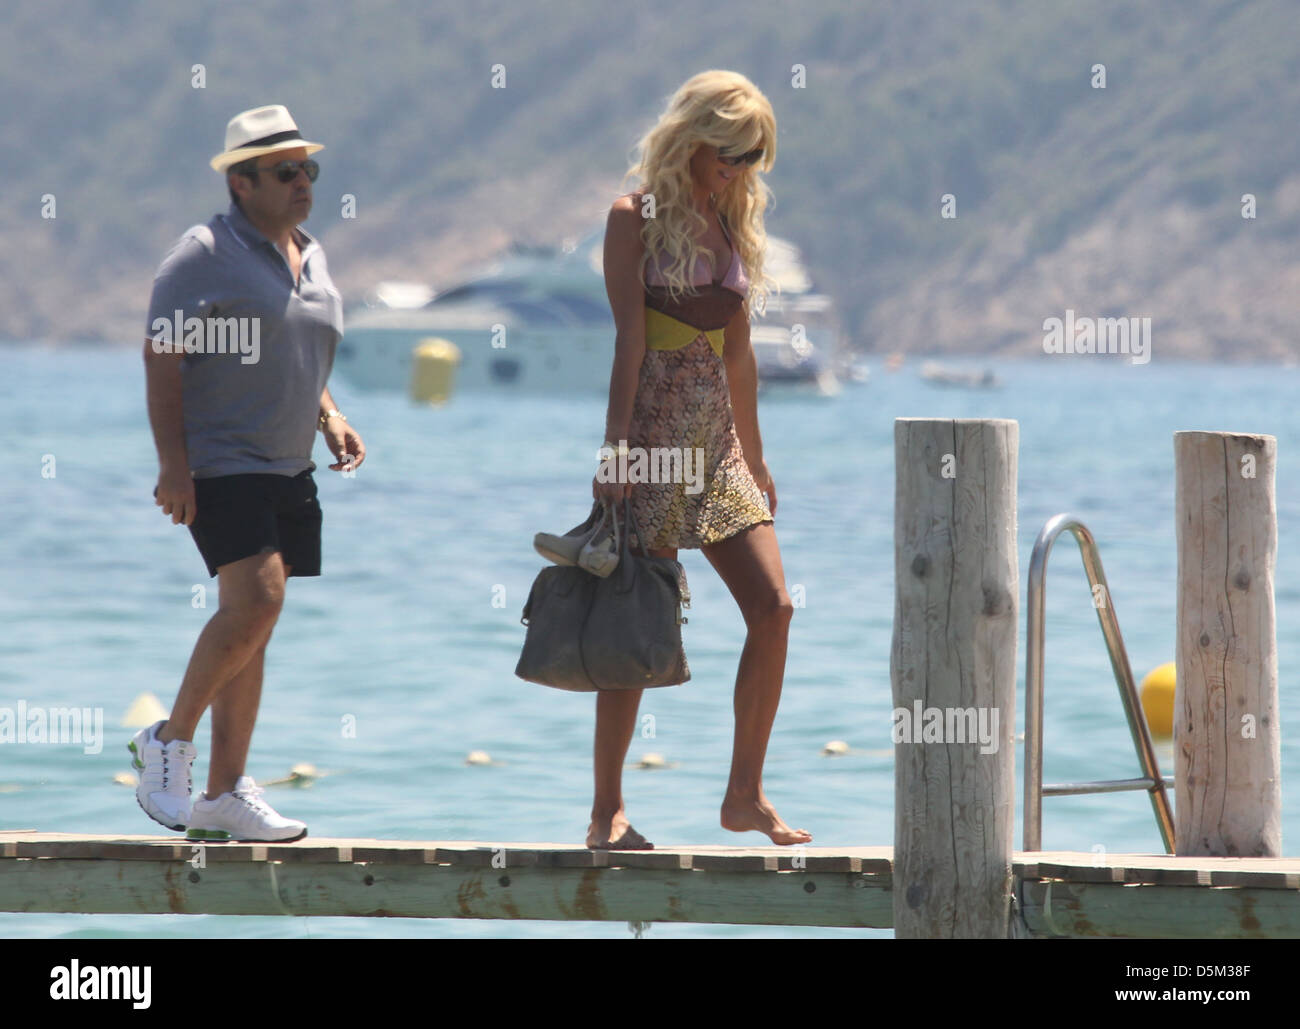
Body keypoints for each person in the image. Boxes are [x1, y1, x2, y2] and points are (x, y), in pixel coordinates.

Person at [589, 71, 810, 849]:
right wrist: (616, 447)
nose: (742, 167)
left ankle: (743, 795)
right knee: (634, 622)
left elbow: (741, 353)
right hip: (653, 440)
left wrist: (755, 456)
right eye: (731, 151)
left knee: (775, 608)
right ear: (692, 138)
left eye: (756, 155)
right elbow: (630, 339)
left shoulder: (732, 213)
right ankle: (607, 812)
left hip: (715, 447)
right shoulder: (635, 217)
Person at [135, 105, 365, 842]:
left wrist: (329, 412)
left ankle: (226, 792)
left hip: (289, 462)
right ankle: (168, 743)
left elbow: (295, 344)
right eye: (285, 171)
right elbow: (161, 354)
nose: (304, 182)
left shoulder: (311, 251)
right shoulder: (202, 253)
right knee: (256, 599)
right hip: (222, 460)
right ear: (242, 183)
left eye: (309, 169)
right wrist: (175, 463)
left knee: (258, 622)